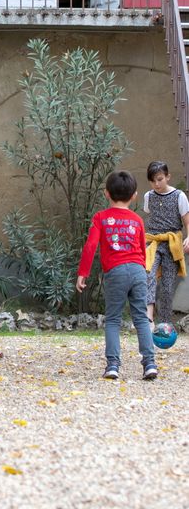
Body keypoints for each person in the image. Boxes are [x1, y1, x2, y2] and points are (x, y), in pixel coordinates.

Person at [76, 170, 157, 380]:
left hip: (115, 272)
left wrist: (83, 273)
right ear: (134, 196)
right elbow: (142, 249)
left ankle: (113, 365)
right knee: (141, 318)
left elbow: (91, 246)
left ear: (106, 193)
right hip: (138, 271)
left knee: (113, 319)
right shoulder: (137, 220)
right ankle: (149, 363)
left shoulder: (100, 218)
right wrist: (144, 271)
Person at [142, 160, 189, 327]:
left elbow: (187, 221)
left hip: (171, 244)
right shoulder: (148, 196)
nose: (156, 184)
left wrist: (188, 237)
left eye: (160, 179)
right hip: (153, 243)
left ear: (168, 177)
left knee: (167, 287)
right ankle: (148, 318)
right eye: (152, 180)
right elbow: (149, 214)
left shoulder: (179, 196)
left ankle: (165, 324)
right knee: (148, 275)